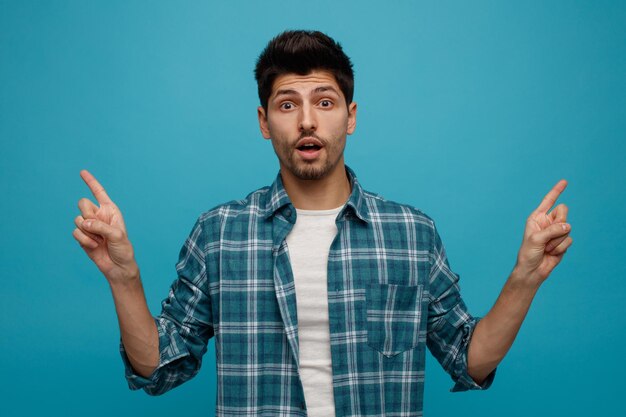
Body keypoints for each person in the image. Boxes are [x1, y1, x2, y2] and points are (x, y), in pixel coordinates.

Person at [72, 30, 572, 417]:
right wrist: (125, 278)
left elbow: (471, 360)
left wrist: (525, 276)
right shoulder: (218, 233)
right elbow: (158, 367)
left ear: (350, 117)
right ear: (265, 122)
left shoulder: (411, 235)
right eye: (288, 104)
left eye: (324, 102)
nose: (307, 121)